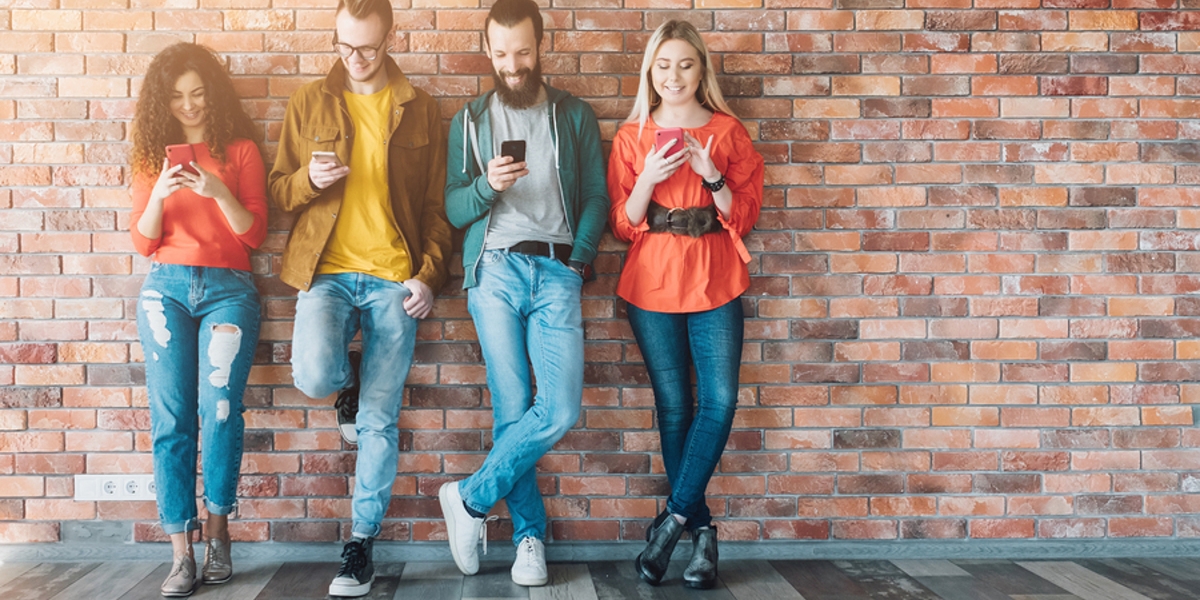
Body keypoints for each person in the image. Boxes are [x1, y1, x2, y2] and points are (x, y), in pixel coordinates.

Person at [267, 0, 451, 596]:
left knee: (380, 420)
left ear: (391, 38)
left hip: (395, 281)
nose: (356, 59)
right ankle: (342, 388)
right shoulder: (308, 102)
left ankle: (360, 545)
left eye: (368, 47)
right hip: (326, 271)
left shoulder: (420, 110)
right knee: (315, 375)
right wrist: (306, 181)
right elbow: (279, 191)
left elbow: (435, 210)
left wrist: (428, 275)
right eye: (345, 46)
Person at [438, 0, 609, 587]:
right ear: (488, 50)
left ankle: (468, 498)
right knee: (512, 410)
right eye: (502, 53)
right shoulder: (468, 120)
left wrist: (579, 262)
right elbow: (454, 207)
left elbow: (595, 198)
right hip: (494, 271)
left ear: (542, 47)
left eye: (524, 52)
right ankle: (528, 539)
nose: (513, 65)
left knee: (558, 409)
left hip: (557, 271)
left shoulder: (574, 114)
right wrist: (486, 185)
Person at [606, 20, 764, 590]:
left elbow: (743, 213)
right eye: (663, 65)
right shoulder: (632, 136)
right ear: (650, 70)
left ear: (702, 71)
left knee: (718, 401)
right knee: (674, 407)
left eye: (685, 65)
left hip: (716, 276)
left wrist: (710, 172)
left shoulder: (728, 131)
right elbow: (623, 225)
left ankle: (672, 520)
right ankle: (701, 536)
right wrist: (648, 176)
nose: (673, 76)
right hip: (652, 281)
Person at [128, 42, 267, 597]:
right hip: (165, 291)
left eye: (198, 95)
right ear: (165, 102)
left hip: (228, 290)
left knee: (221, 410)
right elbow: (143, 241)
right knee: (172, 419)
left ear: (214, 94)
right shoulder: (149, 157)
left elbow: (253, 233)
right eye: (178, 98)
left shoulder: (240, 151)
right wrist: (160, 193)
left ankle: (219, 536)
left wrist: (216, 189)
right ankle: (180, 553)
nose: (190, 107)